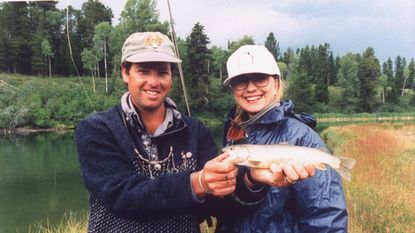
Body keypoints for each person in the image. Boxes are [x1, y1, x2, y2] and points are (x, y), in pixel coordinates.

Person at [75, 32, 278, 233]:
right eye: (144, 71)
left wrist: (251, 180)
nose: (154, 82)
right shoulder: (97, 129)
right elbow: (122, 195)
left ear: (171, 76)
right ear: (125, 73)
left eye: (162, 72)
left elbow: (219, 207)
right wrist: (197, 182)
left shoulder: (196, 131)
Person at [216, 45, 348, 232]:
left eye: (260, 78)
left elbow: (326, 216)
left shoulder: (303, 136)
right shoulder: (232, 131)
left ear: (276, 83)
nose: (251, 88)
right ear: (233, 89)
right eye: (240, 81)